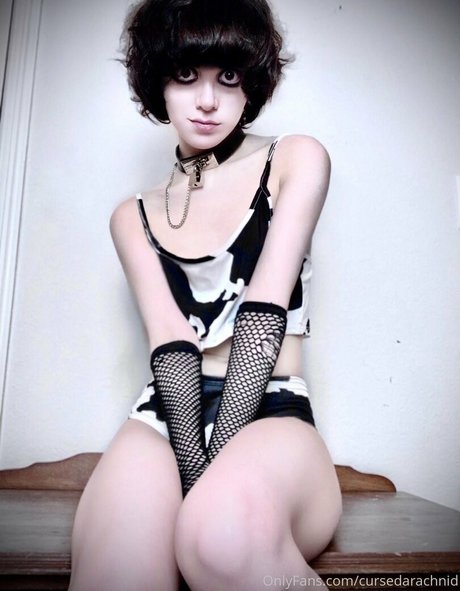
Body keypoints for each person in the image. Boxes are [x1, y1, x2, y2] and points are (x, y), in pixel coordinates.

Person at [69, 0, 342, 589]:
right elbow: (170, 344)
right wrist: (193, 468)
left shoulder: (293, 159)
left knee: (218, 538)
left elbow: (264, 312)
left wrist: (202, 489)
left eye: (230, 76)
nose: (208, 100)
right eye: (186, 75)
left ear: (253, 82)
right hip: (166, 416)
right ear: (158, 82)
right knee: (117, 570)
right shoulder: (132, 217)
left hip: (271, 409)